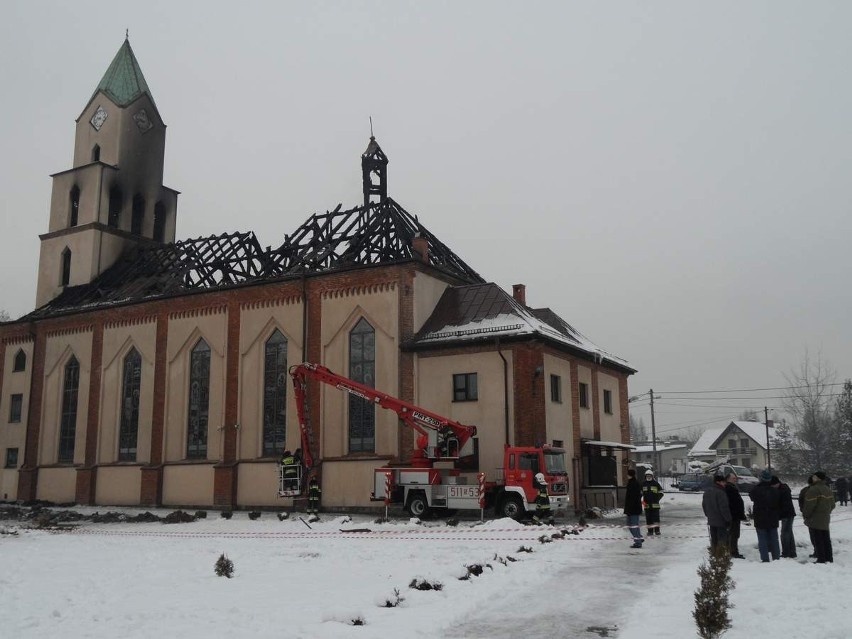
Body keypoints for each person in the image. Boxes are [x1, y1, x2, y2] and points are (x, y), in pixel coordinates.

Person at [802, 471, 835, 563]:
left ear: (817, 478)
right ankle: (829, 557)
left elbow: (809, 506)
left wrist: (806, 515)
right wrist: (826, 512)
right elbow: (833, 504)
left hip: (815, 518)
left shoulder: (813, 490)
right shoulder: (827, 489)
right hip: (825, 518)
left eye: (814, 477)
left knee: (818, 539)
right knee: (826, 539)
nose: (812, 478)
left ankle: (821, 558)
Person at [749, 469, 781, 562]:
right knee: (774, 538)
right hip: (773, 517)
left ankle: (765, 558)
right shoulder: (775, 491)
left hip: (760, 517)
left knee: (762, 539)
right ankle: (776, 557)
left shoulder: (756, 490)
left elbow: (751, 496)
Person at [702, 474, 731, 553]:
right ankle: (720, 556)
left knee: (714, 539)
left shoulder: (707, 491)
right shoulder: (721, 492)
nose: (725, 484)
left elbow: (704, 505)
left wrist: (708, 515)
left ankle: (714, 554)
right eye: (723, 482)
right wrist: (728, 519)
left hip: (711, 520)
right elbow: (724, 508)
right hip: (721, 521)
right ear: (718, 482)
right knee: (721, 539)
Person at [771, 475, 797, 558]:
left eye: (773, 485)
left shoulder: (781, 491)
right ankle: (792, 552)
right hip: (789, 513)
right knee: (789, 533)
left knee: (784, 534)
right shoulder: (785, 488)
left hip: (786, 514)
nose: (772, 487)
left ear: (777, 483)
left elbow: (781, 504)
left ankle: (786, 552)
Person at [724, 472, 746, 558]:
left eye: (735, 478)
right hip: (733, 515)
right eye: (733, 478)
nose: (735, 479)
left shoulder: (731, 487)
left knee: (734, 534)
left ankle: (732, 550)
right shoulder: (729, 488)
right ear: (728, 479)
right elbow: (733, 503)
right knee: (733, 534)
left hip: (735, 515)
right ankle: (733, 551)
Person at [624, 469, 644, 549]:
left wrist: (629, 508)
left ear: (629, 475)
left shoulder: (633, 484)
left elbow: (633, 498)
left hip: (633, 509)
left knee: (633, 525)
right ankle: (639, 538)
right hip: (632, 508)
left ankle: (638, 542)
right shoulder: (632, 483)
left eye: (627, 474)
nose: (626, 476)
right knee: (630, 525)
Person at [798, 475, 817, 558]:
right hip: (819, 515)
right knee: (821, 534)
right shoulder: (820, 490)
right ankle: (820, 550)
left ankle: (817, 550)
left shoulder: (804, 490)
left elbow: (801, 502)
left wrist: (803, 511)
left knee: (813, 534)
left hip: (809, 516)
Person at [641, 470, 664, 536]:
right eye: (647, 476)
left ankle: (657, 531)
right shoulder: (643, 484)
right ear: (645, 476)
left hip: (655, 505)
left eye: (649, 476)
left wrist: (657, 499)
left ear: (652, 476)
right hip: (647, 506)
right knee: (648, 519)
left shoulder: (656, 483)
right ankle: (650, 531)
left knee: (656, 519)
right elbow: (640, 494)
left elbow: (661, 493)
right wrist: (643, 502)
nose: (648, 477)